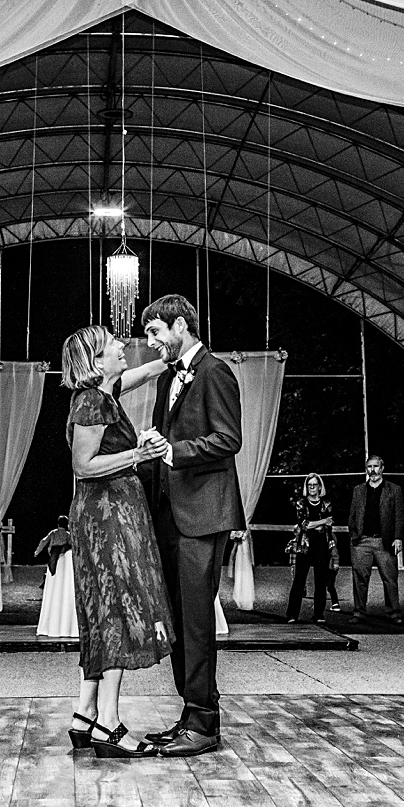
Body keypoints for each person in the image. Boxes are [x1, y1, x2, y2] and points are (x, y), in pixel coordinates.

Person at [62, 324, 173, 758]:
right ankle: (108, 723)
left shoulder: (106, 393)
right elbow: (83, 465)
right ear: (95, 360)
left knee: (106, 609)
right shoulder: (91, 401)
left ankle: (84, 713)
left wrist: (178, 354)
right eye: (113, 345)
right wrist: (139, 454)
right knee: (115, 609)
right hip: (104, 518)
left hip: (116, 511)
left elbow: (146, 373)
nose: (122, 346)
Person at [139, 294, 243, 758]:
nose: (150, 341)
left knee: (198, 621)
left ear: (181, 325)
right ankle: (192, 713)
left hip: (204, 515)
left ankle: (205, 722)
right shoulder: (169, 377)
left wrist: (175, 452)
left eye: (155, 332)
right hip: (171, 515)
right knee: (181, 621)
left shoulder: (215, 371)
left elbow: (228, 438)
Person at [348, 454, 404, 623]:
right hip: (362, 541)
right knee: (360, 579)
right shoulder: (358, 490)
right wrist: (354, 535)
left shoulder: (394, 490)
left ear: (382, 468)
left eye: (375, 466)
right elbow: (352, 515)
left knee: (390, 579)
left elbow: (399, 516)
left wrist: (398, 538)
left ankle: (394, 613)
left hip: (384, 541)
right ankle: (359, 613)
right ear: (366, 469)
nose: (372, 470)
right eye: (369, 467)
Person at [285, 474, 336, 624]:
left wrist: (316, 524)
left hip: (322, 545)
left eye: (315, 485)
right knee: (299, 580)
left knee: (321, 581)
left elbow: (330, 523)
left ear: (320, 487)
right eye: (309, 485)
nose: (312, 487)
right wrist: (320, 522)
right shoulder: (301, 503)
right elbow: (304, 524)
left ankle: (319, 614)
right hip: (304, 546)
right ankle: (292, 614)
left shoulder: (327, 503)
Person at [34, 516, 77, 638]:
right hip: (59, 550)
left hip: (56, 550)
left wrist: (37, 551)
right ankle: (49, 575)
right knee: (53, 564)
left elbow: (44, 541)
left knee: (53, 565)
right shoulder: (66, 534)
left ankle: (49, 575)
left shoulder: (54, 533)